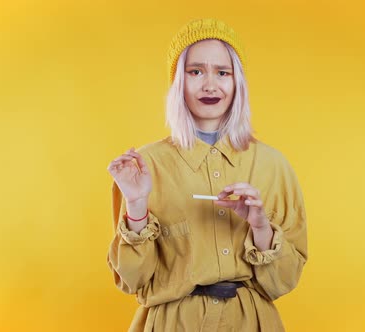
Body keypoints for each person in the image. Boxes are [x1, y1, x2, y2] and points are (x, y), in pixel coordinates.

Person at [107, 18, 308, 331]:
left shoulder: (273, 166)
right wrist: (136, 205)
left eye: (223, 73)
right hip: (173, 323)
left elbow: (283, 282)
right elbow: (133, 280)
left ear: (237, 82)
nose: (210, 85)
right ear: (179, 82)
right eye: (195, 71)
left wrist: (260, 226)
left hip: (251, 322)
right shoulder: (144, 166)